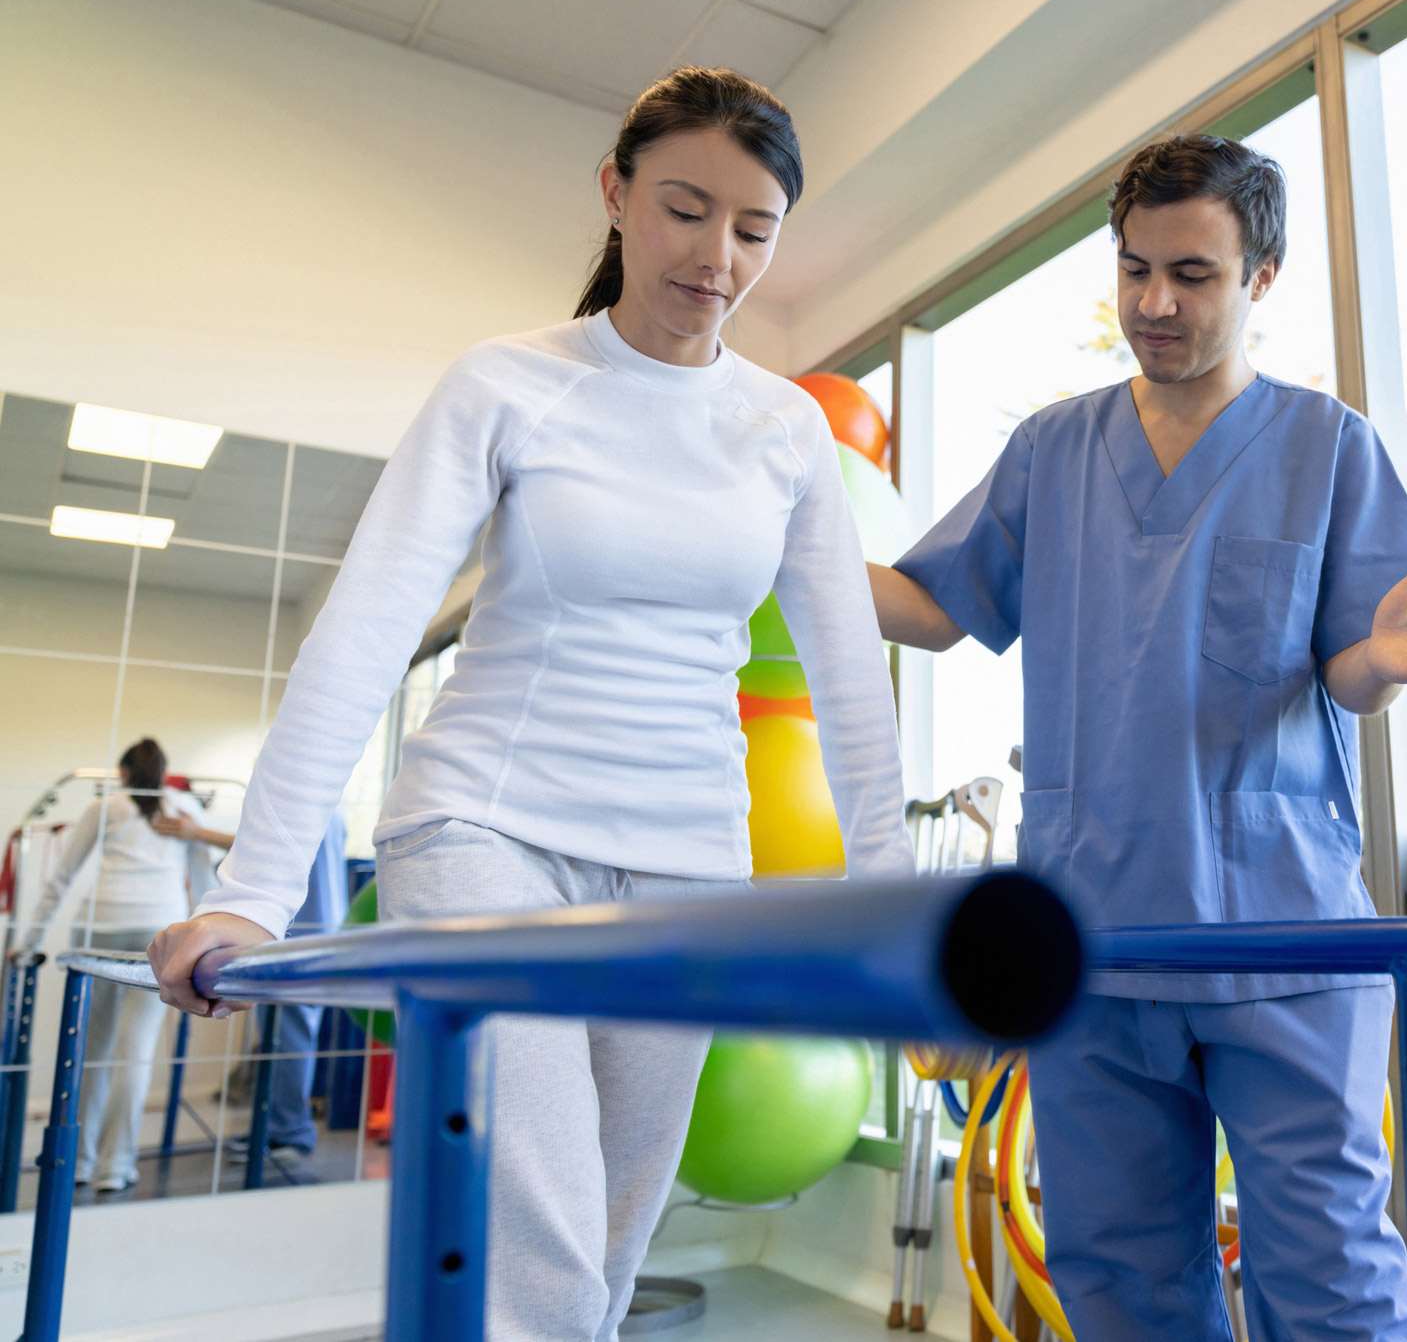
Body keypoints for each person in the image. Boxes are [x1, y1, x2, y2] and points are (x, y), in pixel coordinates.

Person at [149, 67, 914, 1340]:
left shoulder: (784, 431)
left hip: (688, 865)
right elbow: (368, 630)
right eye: (684, 208)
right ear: (615, 194)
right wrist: (254, 888)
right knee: (538, 1237)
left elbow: (849, 681)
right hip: (487, 836)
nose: (716, 256)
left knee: (605, 1250)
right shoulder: (507, 384)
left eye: (754, 229)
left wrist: (893, 905)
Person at [873, 135, 1407, 1340]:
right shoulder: (1052, 450)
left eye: (1193, 275)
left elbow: (1351, 676)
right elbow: (936, 607)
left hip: (1280, 936)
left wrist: (1390, 656)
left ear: (1261, 276)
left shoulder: (1326, 447)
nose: (1155, 303)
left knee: (1328, 1275)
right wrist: (772, 556)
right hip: (1095, 940)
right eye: (1134, 268)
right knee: (1121, 1281)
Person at [33, 738, 216, 1194]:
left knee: (91, 1050)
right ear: (164, 772)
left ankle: (78, 1161)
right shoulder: (184, 806)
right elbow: (204, 879)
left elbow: (62, 877)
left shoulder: (105, 807)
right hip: (161, 931)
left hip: (103, 926)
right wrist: (206, 945)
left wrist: (28, 941)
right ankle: (114, 1167)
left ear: (124, 772)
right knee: (135, 1051)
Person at [156, 804, 346, 1156]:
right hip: (311, 929)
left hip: (301, 934)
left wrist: (196, 833)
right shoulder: (328, 808)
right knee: (282, 1038)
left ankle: (290, 1131)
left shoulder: (304, 806)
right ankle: (276, 1127)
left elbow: (269, 854)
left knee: (289, 1038)